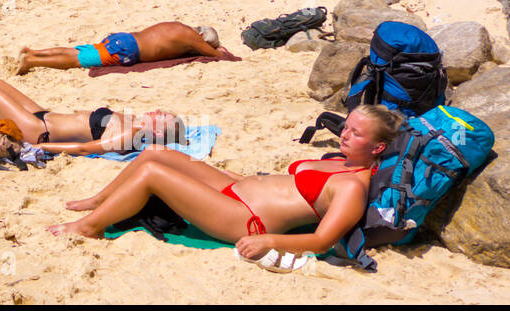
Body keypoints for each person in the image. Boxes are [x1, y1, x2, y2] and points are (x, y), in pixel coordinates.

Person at [47, 106, 405, 267]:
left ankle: (89, 227)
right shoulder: (338, 159)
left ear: (376, 148)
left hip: (245, 219)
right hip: (236, 189)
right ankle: (99, 200)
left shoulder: (352, 189)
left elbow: (321, 240)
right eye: (347, 127)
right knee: (157, 151)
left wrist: (268, 241)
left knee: (153, 175)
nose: (344, 134)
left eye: (355, 133)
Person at [0, 76, 185, 153]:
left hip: (41, 131)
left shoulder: (134, 133)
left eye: (163, 116)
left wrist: (44, 148)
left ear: (159, 131)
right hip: (43, 115)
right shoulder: (132, 120)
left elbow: (88, 148)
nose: (159, 111)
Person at [15, 22, 224, 75]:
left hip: (123, 39)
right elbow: (216, 55)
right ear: (203, 37)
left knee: (77, 51)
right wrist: (215, 49)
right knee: (76, 61)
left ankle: (33, 52)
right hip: (127, 51)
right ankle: (32, 61)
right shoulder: (192, 38)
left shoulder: (179, 27)